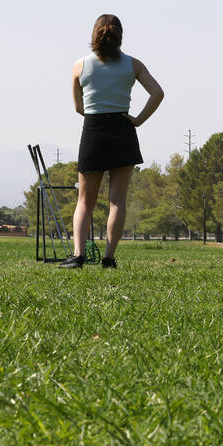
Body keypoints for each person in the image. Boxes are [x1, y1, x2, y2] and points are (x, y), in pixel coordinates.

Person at [59, 14, 164, 269]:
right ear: (120, 36)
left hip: (94, 131)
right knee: (117, 200)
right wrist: (137, 120)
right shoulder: (133, 65)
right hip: (123, 131)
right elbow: (157, 93)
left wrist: (97, 114)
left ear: (94, 34)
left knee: (85, 200)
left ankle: (78, 255)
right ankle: (108, 257)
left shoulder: (79, 65)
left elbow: (78, 107)